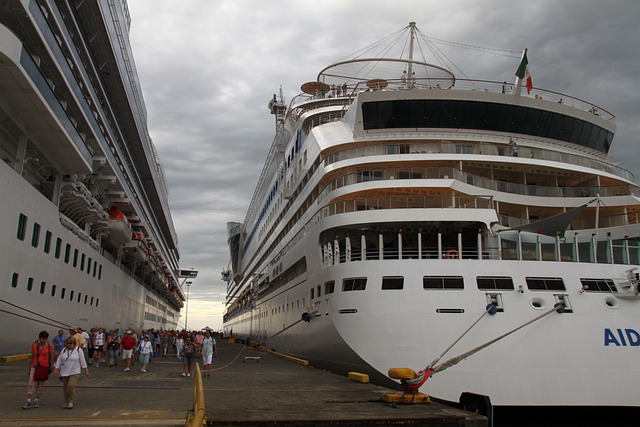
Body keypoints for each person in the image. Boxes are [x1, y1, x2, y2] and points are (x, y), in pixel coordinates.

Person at [53, 337, 89, 409]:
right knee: (65, 388)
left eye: (71, 343)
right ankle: (66, 401)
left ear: (74, 344)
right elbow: (59, 360)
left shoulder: (79, 350)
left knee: (70, 386)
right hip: (65, 371)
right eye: (67, 343)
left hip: (74, 371)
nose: (69, 345)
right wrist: (56, 369)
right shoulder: (63, 350)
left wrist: (86, 370)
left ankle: (70, 401)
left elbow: (82, 361)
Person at [22, 331, 54, 409]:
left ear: (46, 339)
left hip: (44, 366)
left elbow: (51, 357)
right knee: (31, 383)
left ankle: (36, 399)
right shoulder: (35, 346)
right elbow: (32, 357)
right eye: (41, 338)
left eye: (43, 339)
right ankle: (28, 400)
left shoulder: (50, 347)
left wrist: (51, 366)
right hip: (35, 366)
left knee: (40, 384)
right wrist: (30, 368)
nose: (42, 340)